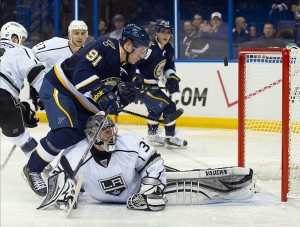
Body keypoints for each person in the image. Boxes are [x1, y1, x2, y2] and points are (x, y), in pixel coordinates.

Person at [23, 24, 152, 197]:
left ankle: (68, 174)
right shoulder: (107, 46)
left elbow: (111, 101)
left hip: (83, 101)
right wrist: (103, 94)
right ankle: (32, 169)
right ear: (128, 45)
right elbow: (81, 75)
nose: (142, 56)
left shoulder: (128, 69)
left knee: (84, 139)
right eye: (141, 50)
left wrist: (122, 99)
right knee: (64, 133)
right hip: (60, 87)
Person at [37, 114, 256, 212]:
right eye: (105, 131)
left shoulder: (129, 143)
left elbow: (154, 162)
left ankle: (236, 185)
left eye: (112, 128)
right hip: (104, 197)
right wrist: (63, 196)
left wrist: (150, 190)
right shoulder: (75, 155)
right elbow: (56, 180)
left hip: (138, 183)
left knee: (182, 176)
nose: (111, 134)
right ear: (93, 135)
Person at [135, 19, 187, 148]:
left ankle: (152, 136)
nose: (166, 35)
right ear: (156, 33)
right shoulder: (149, 47)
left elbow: (169, 66)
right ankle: (170, 137)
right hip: (143, 86)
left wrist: (172, 77)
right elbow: (134, 62)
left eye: (168, 32)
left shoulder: (168, 48)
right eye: (163, 32)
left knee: (156, 109)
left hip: (153, 85)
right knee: (170, 107)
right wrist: (136, 78)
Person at [0, 22, 44, 174]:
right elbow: (36, 74)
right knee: (19, 136)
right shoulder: (20, 50)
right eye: (23, 39)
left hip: (4, 95)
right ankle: (42, 170)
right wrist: (47, 98)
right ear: (14, 38)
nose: (24, 43)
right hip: (2, 95)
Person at [31, 20, 88, 110]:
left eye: (83, 33)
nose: (80, 37)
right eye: (76, 33)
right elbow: (31, 54)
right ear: (70, 35)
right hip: (47, 86)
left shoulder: (88, 54)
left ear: (86, 36)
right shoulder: (55, 44)